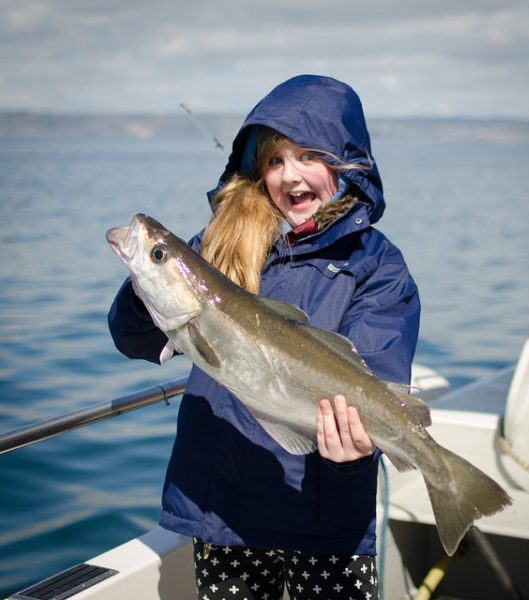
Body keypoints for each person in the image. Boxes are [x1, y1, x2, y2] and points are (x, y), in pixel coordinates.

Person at [108, 74, 420, 600]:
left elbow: (376, 372)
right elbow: (136, 340)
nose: (289, 175)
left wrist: (361, 443)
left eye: (308, 157)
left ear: (346, 167)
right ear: (256, 170)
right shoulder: (219, 241)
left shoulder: (377, 267)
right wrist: (145, 286)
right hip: (223, 513)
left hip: (326, 522)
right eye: (274, 160)